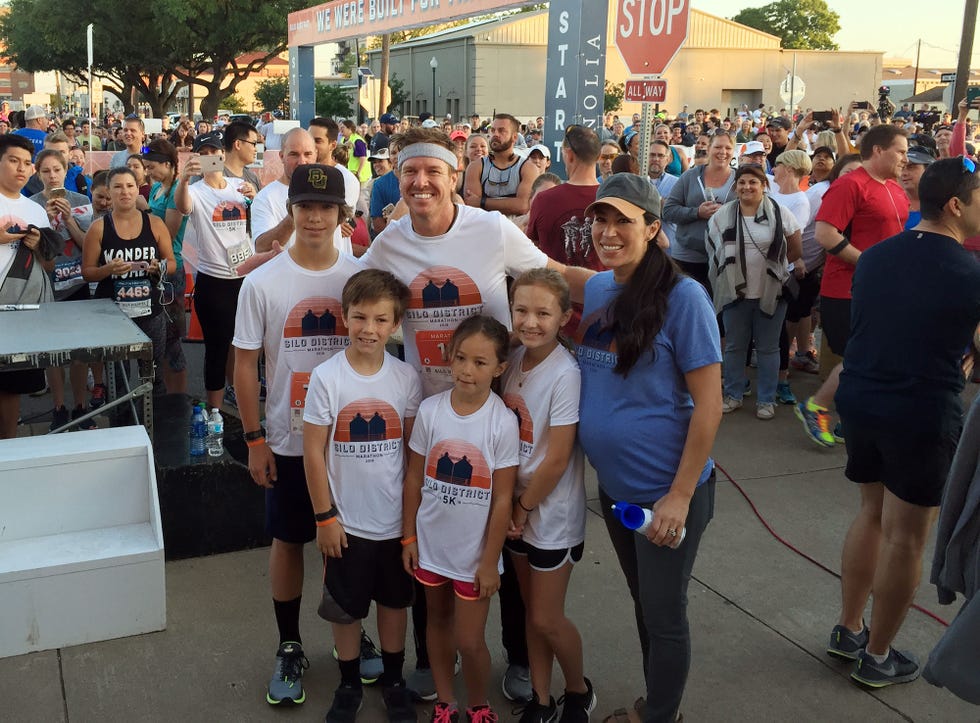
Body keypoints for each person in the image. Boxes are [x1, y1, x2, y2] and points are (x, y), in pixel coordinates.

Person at [360, 126, 593, 703]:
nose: (421, 182)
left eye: (433, 171)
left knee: (509, 542)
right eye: (410, 170)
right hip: (429, 410)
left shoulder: (489, 229)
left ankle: (516, 656)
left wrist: (634, 284)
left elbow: (552, 276)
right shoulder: (388, 243)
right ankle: (429, 659)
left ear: (456, 171)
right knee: (432, 533)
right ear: (396, 171)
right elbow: (350, 287)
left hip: (494, 405)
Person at [828, 157, 980, 687]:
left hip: (863, 398)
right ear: (957, 205)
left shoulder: (875, 257)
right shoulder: (971, 271)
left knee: (871, 514)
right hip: (921, 410)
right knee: (906, 538)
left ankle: (848, 630)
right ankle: (878, 654)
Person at [576, 174, 722, 723]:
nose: (608, 232)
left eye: (623, 221)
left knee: (663, 615)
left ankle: (658, 715)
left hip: (668, 493)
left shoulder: (684, 298)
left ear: (654, 228)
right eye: (600, 219)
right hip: (617, 492)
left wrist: (680, 496)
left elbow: (709, 405)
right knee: (646, 606)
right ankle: (656, 702)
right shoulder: (597, 288)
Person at [232, 164, 365, 708]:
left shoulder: (359, 277)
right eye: (305, 207)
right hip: (288, 440)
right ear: (290, 211)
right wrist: (254, 437)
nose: (315, 217)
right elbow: (243, 366)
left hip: (354, 441)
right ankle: (289, 644)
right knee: (289, 540)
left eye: (326, 208)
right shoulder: (261, 281)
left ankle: (351, 635)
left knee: (351, 544)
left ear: (342, 215)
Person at [303, 269, 422, 723]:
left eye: (380, 319)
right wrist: (324, 516)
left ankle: (393, 681)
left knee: (395, 604)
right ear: (344, 318)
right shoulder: (326, 377)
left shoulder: (406, 378)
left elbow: (413, 457)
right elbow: (314, 452)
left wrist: (410, 529)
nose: (368, 329)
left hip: (394, 524)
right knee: (345, 609)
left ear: (396, 324)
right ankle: (349, 682)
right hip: (346, 524)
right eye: (359, 317)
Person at [402, 315, 519, 723]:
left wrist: (490, 561)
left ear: (500, 368)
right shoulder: (431, 412)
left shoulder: (502, 422)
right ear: (448, 358)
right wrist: (408, 538)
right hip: (431, 548)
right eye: (461, 358)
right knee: (436, 625)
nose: (468, 370)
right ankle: (445, 703)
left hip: (474, 557)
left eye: (481, 362)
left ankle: (479, 704)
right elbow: (414, 477)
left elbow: (503, 497)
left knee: (469, 641)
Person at [500, 269, 595, 722]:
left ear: (564, 318)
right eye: (521, 310)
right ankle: (541, 697)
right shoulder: (515, 360)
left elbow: (556, 457)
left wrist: (520, 508)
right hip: (516, 513)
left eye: (543, 312)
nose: (530, 321)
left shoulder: (565, 373)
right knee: (529, 613)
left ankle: (578, 690)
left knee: (545, 618)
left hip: (549, 514)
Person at [796, 125, 910, 447]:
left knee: (875, 357)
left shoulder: (894, 188)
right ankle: (818, 406)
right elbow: (825, 234)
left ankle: (852, 417)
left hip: (886, 289)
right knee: (861, 357)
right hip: (848, 290)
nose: (905, 158)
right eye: (900, 151)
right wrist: (872, 264)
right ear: (878, 151)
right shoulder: (850, 185)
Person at [706, 164, 802, 419]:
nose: (747, 187)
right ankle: (733, 394)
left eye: (753, 182)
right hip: (734, 293)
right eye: (742, 182)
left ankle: (766, 400)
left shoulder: (780, 213)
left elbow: (795, 249)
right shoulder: (722, 215)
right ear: (735, 186)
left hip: (771, 293)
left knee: (769, 348)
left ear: (764, 186)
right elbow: (713, 252)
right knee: (735, 347)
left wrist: (774, 270)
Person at [175, 130, 258, 410]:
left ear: (224, 154)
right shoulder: (195, 191)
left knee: (247, 345)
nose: (212, 157)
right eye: (205, 153)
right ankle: (214, 412)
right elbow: (182, 206)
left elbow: (257, 220)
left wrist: (253, 196)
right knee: (217, 349)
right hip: (214, 281)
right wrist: (184, 177)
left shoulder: (239, 184)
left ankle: (239, 397)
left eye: (216, 152)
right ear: (196, 157)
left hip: (246, 276)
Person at [81, 167, 174, 394]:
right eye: (118, 187)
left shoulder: (154, 223)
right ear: (109, 192)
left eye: (130, 186)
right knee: (118, 380)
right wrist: (108, 269)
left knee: (152, 374)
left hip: (149, 310)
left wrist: (158, 267)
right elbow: (87, 271)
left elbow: (171, 262)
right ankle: (120, 423)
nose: (125, 192)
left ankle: (153, 426)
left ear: (137, 190)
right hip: (112, 313)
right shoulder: (99, 228)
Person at [29, 148, 98, 429]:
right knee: (53, 351)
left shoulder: (81, 201)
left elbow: (88, 247)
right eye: (45, 171)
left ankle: (81, 406)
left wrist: (68, 219)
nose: (52, 175)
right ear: (38, 174)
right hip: (48, 284)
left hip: (77, 282)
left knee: (79, 351)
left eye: (57, 169)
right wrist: (44, 222)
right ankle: (59, 406)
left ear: (65, 170)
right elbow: (35, 254)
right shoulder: (31, 205)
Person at [0, 134, 54, 439]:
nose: (21, 169)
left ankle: (7, 452)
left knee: (10, 388)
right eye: (12, 160)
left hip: (20, 312)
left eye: (26, 163)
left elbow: (47, 268)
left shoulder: (36, 210)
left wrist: (38, 248)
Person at [526, 125, 604, 333]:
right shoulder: (611, 200)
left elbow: (532, 248)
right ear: (597, 157)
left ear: (569, 156)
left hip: (554, 313)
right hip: (603, 308)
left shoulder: (543, 200)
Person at [662, 131, 736, 293]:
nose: (722, 152)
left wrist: (728, 212)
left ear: (733, 151)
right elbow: (668, 211)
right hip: (688, 255)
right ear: (709, 149)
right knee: (684, 302)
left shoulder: (740, 180)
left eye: (727, 148)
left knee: (718, 309)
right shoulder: (690, 176)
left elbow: (749, 213)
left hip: (725, 256)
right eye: (717, 147)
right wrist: (697, 213)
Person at [143, 138, 189, 394]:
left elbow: (168, 236)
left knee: (172, 339)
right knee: (157, 335)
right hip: (155, 268)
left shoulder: (174, 193)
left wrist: (145, 213)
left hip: (172, 268)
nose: (148, 172)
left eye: (151, 167)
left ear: (169, 164)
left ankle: (178, 398)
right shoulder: (157, 188)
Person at [464, 114, 539, 217]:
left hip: (515, 230)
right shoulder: (476, 167)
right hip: (484, 230)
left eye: (501, 131)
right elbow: (472, 206)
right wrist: (512, 203)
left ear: (514, 137)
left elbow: (523, 206)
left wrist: (482, 202)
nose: (496, 134)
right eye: (493, 130)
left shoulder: (528, 168)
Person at [340, 120, 371, 184]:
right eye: (340, 127)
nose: (340, 129)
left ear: (350, 129)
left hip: (361, 178)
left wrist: (358, 173)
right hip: (351, 175)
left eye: (343, 127)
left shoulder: (357, 141)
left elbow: (363, 158)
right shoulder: (343, 140)